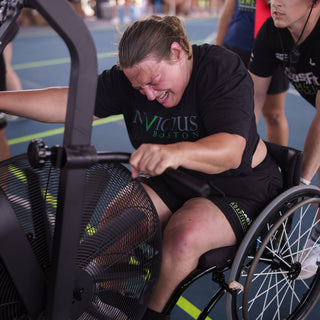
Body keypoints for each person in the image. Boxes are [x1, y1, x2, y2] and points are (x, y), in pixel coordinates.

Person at [0, 15, 283, 319]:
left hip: (240, 186)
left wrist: (175, 152)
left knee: (183, 236)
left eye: (153, 82)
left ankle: (150, 315)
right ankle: (111, 300)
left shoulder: (218, 68)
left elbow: (231, 151)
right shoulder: (131, 80)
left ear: (177, 53)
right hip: (178, 178)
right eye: (139, 88)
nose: (148, 94)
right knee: (116, 224)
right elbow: (70, 102)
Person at [248, 0, 320, 279]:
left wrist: (299, 185)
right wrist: (238, 151)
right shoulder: (272, 31)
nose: (274, 2)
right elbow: (253, 97)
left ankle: (316, 242)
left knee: (301, 180)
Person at [215, 0, 289, 146]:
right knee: (230, 113)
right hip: (237, 47)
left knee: (274, 114)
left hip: (274, 48)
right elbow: (228, 9)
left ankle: (282, 164)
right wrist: (217, 49)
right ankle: (235, 160)